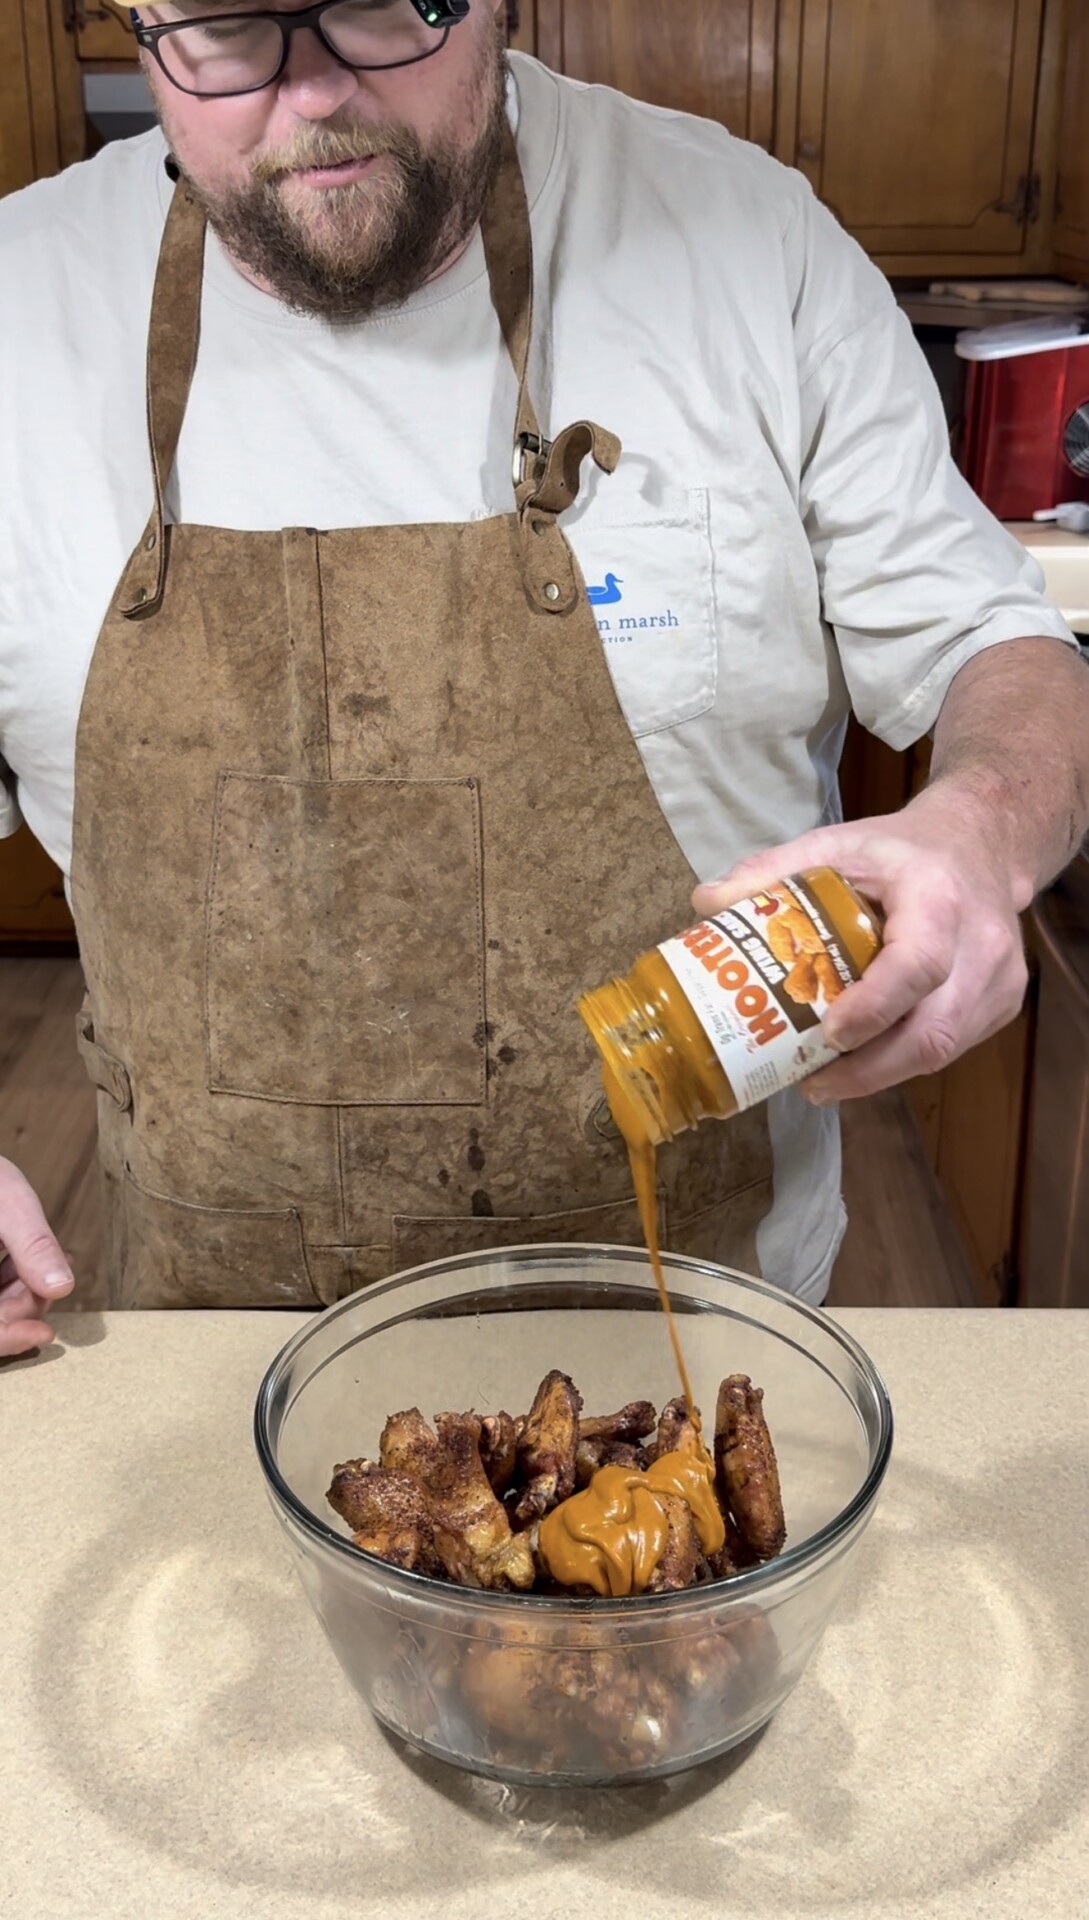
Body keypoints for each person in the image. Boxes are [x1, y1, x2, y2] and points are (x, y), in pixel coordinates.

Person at [2, 0, 1087, 1360]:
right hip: (205, 1356)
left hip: (702, 1337)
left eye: (377, 3)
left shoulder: (749, 245)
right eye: (224, 27)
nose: (313, 92)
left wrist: (981, 833)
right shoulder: (16, 306)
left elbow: (998, 644)